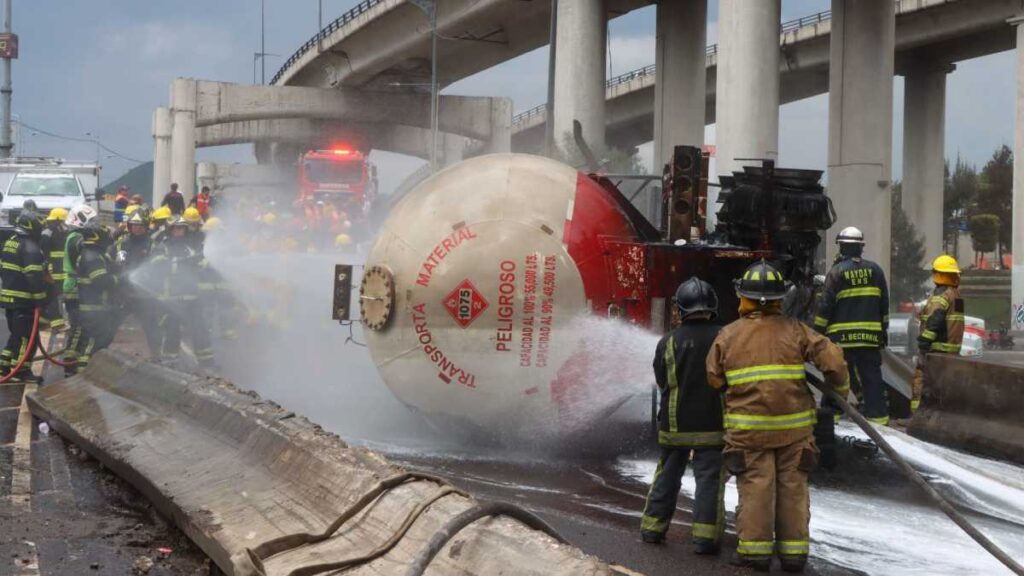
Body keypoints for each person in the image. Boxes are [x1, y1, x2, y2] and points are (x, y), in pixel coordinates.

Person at [707, 261, 848, 573]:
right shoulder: (796, 331)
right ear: (779, 299)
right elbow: (835, 361)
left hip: (748, 432)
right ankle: (794, 555)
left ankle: (755, 553)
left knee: (756, 486)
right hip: (794, 432)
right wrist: (842, 391)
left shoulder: (728, 336)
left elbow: (714, 378)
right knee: (793, 488)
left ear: (742, 297)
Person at [640, 277, 726, 555]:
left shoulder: (668, 341)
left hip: (674, 424)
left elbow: (662, 380)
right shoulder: (724, 337)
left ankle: (652, 530)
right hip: (713, 425)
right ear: (712, 305)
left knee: (667, 475)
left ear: (681, 308)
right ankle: (704, 539)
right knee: (709, 480)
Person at [813, 226, 891, 425]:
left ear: (842, 247)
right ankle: (879, 419)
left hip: (842, 340)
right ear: (861, 247)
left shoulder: (836, 272)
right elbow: (884, 306)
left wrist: (817, 333)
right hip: (870, 338)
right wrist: (883, 332)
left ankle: (832, 417)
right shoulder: (876, 271)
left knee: (837, 376)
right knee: (872, 378)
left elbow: (825, 307)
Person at [141, 217, 214, 368]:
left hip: (192, 297)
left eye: (182, 228)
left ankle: (207, 361)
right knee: (171, 331)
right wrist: (180, 265)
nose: (179, 231)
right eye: (176, 228)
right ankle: (170, 362)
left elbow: (203, 265)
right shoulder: (163, 246)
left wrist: (200, 263)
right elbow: (158, 265)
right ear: (170, 230)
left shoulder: (191, 247)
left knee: (200, 329)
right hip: (171, 298)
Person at [912, 255, 964, 412]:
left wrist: (923, 342)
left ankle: (917, 417)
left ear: (937, 274)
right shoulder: (956, 294)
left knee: (921, 381)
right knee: (944, 386)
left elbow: (935, 321)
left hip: (936, 350)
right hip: (952, 350)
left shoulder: (941, 295)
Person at [0, 211, 47, 382]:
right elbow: (34, 277)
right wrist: (41, 298)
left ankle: (4, 365)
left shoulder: (10, 242)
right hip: (24, 299)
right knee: (27, 337)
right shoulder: (31, 248)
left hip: (8, 297)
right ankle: (21, 371)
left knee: (16, 334)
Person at [71, 222, 118, 371]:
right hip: (93, 308)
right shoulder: (93, 257)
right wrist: (119, 279)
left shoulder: (90, 254)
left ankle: (84, 373)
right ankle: (84, 375)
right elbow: (101, 281)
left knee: (95, 341)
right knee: (92, 344)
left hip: (92, 307)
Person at [114, 210, 160, 358]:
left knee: (151, 327)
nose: (137, 228)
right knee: (110, 323)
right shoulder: (121, 243)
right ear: (129, 226)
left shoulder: (152, 244)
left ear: (146, 226)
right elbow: (109, 259)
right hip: (124, 293)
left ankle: (157, 356)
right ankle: (100, 354)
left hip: (144, 295)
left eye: (140, 226)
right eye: (134, 225)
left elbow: (159, 265)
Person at [61, 204, 100, 376]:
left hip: (76, 286)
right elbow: (86, 256)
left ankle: (75, 362)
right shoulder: (76, 238)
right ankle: (70, 364)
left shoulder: (74, 236)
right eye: (91, 221)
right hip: (75, 287)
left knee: (82, 326)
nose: (94, 224)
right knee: (77, 327)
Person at [39, 208, 70, 332]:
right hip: (53, 270)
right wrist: (45, 271)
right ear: (58, 221)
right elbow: (43, 254)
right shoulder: (47, 233)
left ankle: (58, 320)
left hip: (63, 270)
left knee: (62, 295)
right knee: (53, 295)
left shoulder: (66, 233)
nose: (65, 224)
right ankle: (56, 323)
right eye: (64, 221)